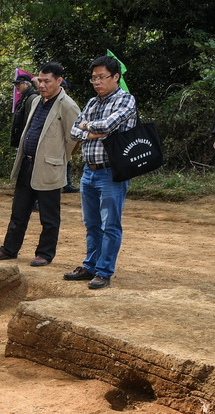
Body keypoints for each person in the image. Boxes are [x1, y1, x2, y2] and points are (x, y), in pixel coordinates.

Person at [0, 62, 80, 267]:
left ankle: (45, 253)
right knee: (19, 211)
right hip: (27, 164)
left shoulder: (68, 105)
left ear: (59, 81)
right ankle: (9, 249)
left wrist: (60, 159)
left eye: (47, 81)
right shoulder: (37, 100)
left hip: (50, 167)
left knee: (49, 216)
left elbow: (74, 139)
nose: (42, 85)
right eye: (40, 80)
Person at [64, 55, 137, 290]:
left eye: (102, 77)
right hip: (89, 172)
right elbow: (74, 131)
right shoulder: (92, 103)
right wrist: (90, 130)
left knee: (110, 225)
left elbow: (107, 126)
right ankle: (90, 265)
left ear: (116, 77)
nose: (97, 82)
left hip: (111, 172)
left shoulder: (125, 100)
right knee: (92, 223)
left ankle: (104, 271)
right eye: (93, 78)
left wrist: (89, 127)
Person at [10, 71, 39, 148]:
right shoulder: (23, 98)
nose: (16, 86)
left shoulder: (32, 98)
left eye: (19, 84)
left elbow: (31, 120)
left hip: (27, 140)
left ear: (26, 84)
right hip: (20, 138)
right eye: (16, 84)